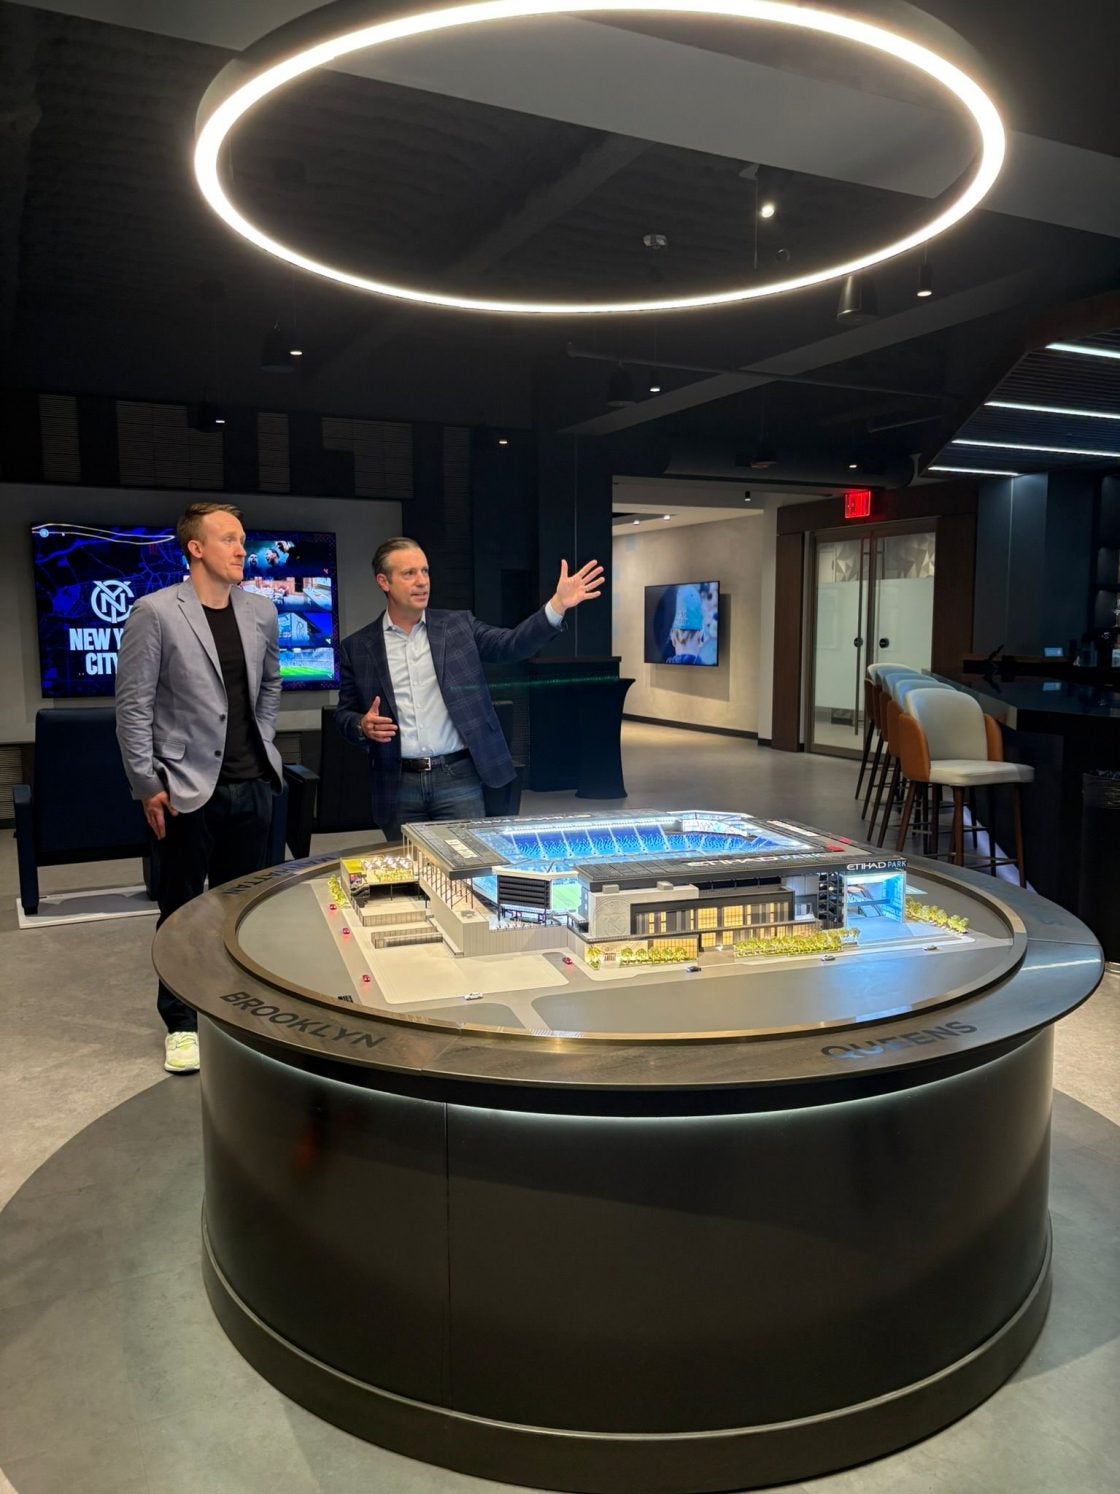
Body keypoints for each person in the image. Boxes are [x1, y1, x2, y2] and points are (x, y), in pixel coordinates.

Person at [116, 502, 282, 1074]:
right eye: (229, 539)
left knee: (245, 912)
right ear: (196, 548)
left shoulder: (261, 611)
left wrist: (264, 742)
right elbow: (133, 706)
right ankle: (182, 1023)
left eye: (242, 539)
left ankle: (237, 1015)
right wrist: (146, 782)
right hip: (183, 788)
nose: (242, 549)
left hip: (253, 783)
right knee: (182, 912)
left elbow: (271, 685)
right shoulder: (156, 612)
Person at [336, 537, 603, 840]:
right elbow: (344, 714)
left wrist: (556, 607)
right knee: (408, 865)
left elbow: (511, 644)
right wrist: (361, 725)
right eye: (409, 573)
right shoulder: (358, 647)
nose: (422, 581)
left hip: (458, 778)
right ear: (383, 581)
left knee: (467, 863)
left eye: (425, 571)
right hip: (398, 784)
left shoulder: (458, 626)